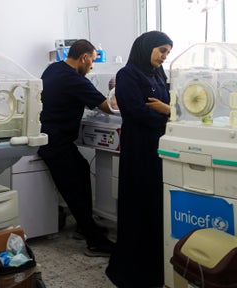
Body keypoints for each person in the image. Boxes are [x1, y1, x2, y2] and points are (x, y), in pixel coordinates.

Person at [106, 31, 173, 288]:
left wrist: (167, 112)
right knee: (139, 203)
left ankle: (156, 266)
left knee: (156, 204)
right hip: (139, 148)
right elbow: (135, 111)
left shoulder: (158, 73)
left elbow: (167, 103)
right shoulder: (128, 75)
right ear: (147, 48)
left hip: (160, 145)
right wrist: (166, 117)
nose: (165, 56)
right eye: (162, 50)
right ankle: (133, 270)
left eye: (168, 52)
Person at [38, 39, 114, 257]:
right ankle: (94, 241)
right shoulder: (76, 80)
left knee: (81, 170)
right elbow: (107, 106)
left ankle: (85, 225)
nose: (92, 65)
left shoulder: (53, 69)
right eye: (92, 60)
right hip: (56, 141)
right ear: (84, 57)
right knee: (74, 189)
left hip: (47, 135)